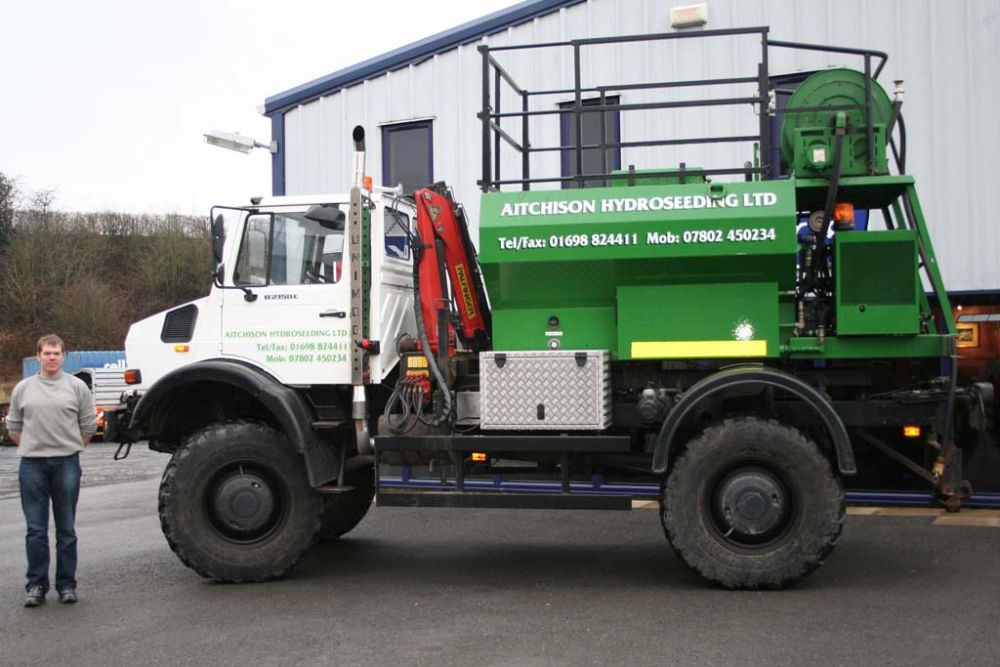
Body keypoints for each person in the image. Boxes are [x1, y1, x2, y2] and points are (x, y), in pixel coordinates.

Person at [6, 334, 96, 608]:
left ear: (63, 356)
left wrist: (68, 447)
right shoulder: (23, 388)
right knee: (35, 530)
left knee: (66, 529)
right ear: (38, 357)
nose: (52, 358)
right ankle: (36, 585)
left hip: (66, 464)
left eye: (56, 353)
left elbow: (88, 426)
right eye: (47, 353)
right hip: (32, 466)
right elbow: (13, 428)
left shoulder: (77, 387)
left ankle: (67, 585)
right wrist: (35, 448)